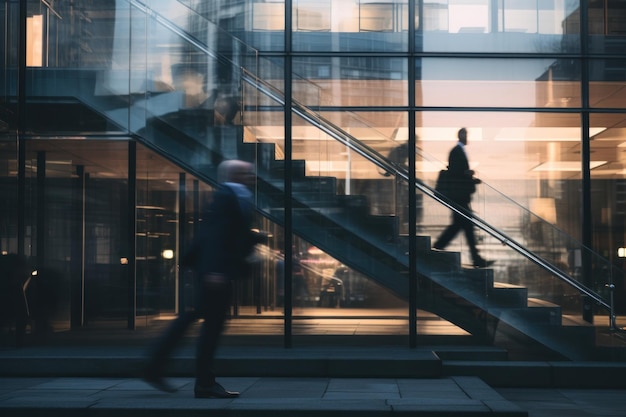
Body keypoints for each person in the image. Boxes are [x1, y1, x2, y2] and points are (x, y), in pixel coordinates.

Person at [142, 159, 264, 398]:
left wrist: (254, 240)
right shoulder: (227, 196)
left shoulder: (235, 195)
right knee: (210, 327)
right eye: (246, 173)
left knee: (196, 320)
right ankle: (199, 381)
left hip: (213, 271)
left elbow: (225, 233)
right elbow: (215, 235)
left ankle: (157, 367)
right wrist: (215, 270)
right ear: (234, 175)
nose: (252, 176)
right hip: (215, 273)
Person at [433, 128, 494, 268]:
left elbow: (458, 173)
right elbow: (456, 174)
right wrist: (469, 176)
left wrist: (470, 177)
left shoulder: (458, 151)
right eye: (465, 135)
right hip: (458, 196)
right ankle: (439, 248)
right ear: (461, 136)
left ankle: (474, 258)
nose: (467, 138)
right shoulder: (456, 151)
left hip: (459, 196)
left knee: (462, 226)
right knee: (463, 226)